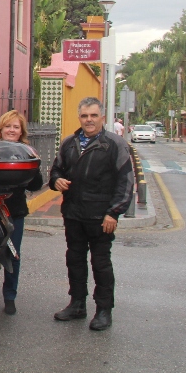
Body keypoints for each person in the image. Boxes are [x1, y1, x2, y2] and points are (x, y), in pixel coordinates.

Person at [49, 97, 134, 331]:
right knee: (74, 261)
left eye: (93, 115)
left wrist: (114, 213)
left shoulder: (115, 144)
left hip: (101, 218)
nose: (89, 120)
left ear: (102, 117)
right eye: (85, 116)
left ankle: (104, 310)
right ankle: (77, 304)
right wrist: (57, 180)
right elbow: (55, 169)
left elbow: (126, 182)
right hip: (74, 214)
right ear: (80, 117)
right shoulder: (69, 143)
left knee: (101, 264)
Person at [0, 110, 44, 315]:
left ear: (21, 131)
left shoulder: (27, 150)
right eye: (8, 126)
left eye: (16, 127)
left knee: (13, 254)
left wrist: (34, 165)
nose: (12, 130)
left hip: (14, 210)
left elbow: (37, 184)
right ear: (1, 129)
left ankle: (10, 296)